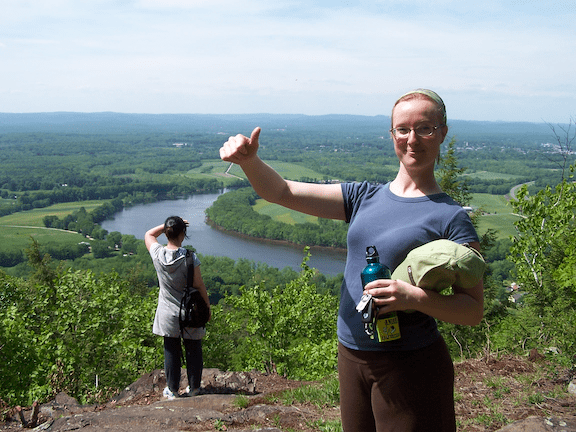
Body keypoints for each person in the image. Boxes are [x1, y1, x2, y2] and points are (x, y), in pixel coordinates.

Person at [219, 89, 484, 432]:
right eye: (402, 129)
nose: (412, 139)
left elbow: (473, 310)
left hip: (410, 363)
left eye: (425, 128)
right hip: (351, 354)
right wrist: (249, 162)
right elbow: (281, 192)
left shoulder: (451, 219)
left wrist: (413, 298)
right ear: (392, 135)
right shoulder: (364, 197)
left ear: (442, 133)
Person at [145, 216, 211, 399]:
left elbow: (149, 234)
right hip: (191, 311)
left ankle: (173, 390)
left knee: (171, 350)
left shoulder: (157, 253)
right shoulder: (190, 257)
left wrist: (167, 226)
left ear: (166, 233)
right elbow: (199, 285)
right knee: (193, 348)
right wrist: (207, 307)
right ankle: (195, 388)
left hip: (167, 313)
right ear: (183, 234)